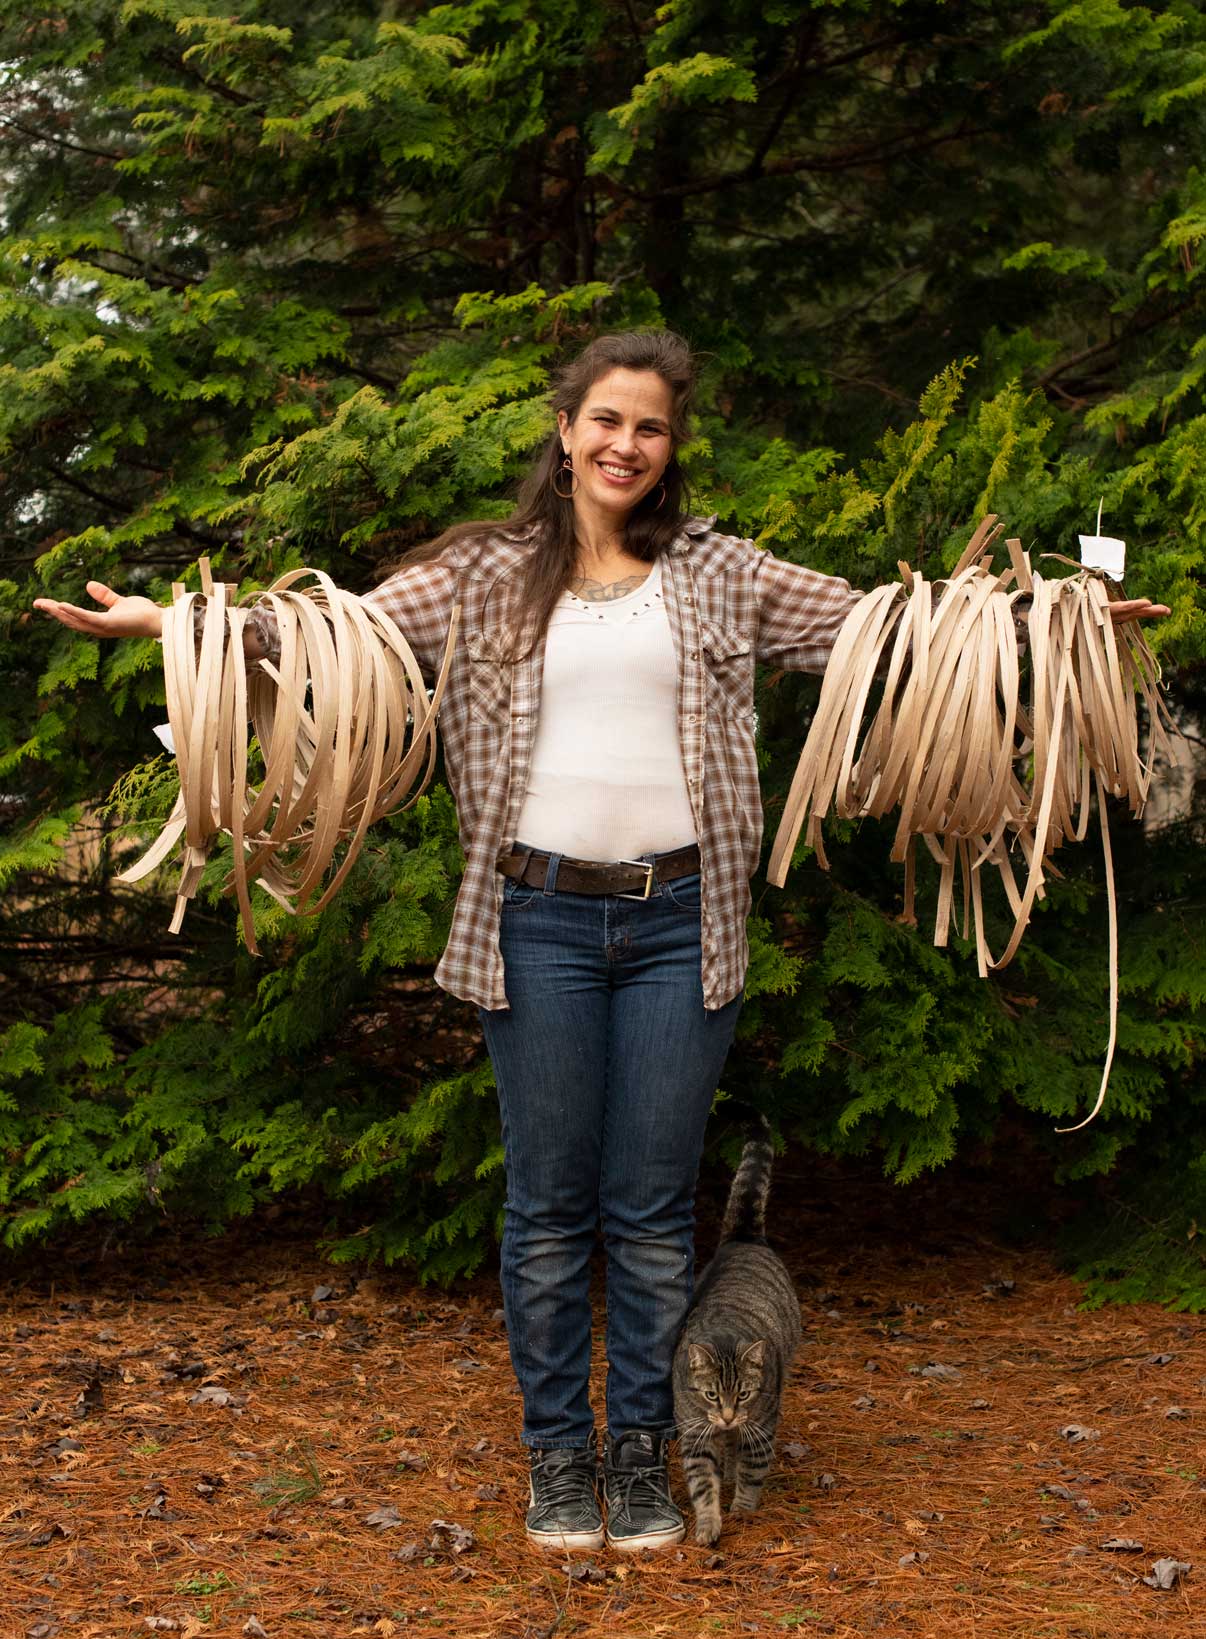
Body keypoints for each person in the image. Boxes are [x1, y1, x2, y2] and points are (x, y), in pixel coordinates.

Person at [32, 330, 1169, 1553]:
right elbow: (326, 638)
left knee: (647, 1211)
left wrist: (1059, 632)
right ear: (565, 433)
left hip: (686, 926)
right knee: (547, 1211)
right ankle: (556, 1463)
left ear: (671, 449)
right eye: (608, 421)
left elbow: (891, 634)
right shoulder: (479, 574)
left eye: (653, 427)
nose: (626, 444)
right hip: (537, 924)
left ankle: (638, 1458)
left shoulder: (725, 577)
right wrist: (174, 627)